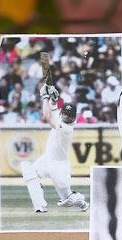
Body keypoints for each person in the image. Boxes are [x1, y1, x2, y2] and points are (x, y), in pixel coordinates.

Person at [21, 84, 88, 214]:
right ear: (63, 113)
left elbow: (47, 116)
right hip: (47, 159)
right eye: (66, 114)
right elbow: (53, 109)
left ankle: (81, 201)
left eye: (70, 116)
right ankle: (40, 206)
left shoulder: (67, 128)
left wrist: (45, 97)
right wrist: (53, 99)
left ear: (74, 117)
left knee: (66, 200)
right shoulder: (60, 116)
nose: (67, 117)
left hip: (59, 166)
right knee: (28, 170)